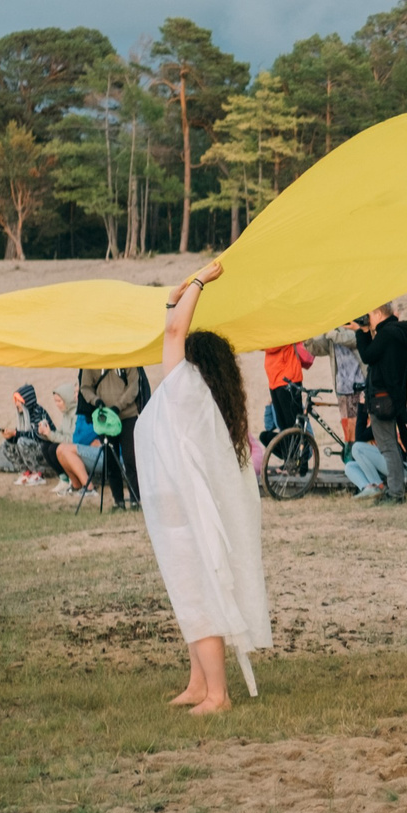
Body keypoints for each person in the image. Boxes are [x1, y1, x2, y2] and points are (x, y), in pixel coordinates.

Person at [134, 261, 273, 716]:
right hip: (179, 514)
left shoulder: (187, 390)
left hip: (184, 516)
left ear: (193, 362)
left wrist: (197, 283)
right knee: (188, 594)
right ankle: (198, 683)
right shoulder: (203, 398)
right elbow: (173, 332)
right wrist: (173, 301)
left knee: (199, 596)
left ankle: (218, 694)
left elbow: (173, 335)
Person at [360, 298, 407, 505]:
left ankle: (396, 493)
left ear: (379, 314)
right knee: (390, 445)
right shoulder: (397, 332)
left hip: (382, 400)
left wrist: (361, 332)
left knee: (388, 447)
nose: (370, 320)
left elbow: (367, 356)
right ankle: (395, 490)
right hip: (391, 397)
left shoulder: (386, 335)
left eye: (371, 315)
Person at [79, 365, 152, 504]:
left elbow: (134, 385)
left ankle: (136, 500)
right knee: (111, 460)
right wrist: (96, 401)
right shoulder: (91, 362)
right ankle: (118, 501)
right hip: (105, 418)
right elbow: (85, 387)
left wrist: (118, 406)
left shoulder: (128, 358)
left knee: (131, 458)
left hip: (128, 415)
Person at [2, 384, 63, 485]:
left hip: (46, 449)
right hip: (33, 447)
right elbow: (21, 434)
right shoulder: (23, 416)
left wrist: (16, 433)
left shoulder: (38, 412)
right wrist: (11, 437)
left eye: (18, 401)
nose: (16, 404)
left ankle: (38, 473)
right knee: (7, 445)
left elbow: (38, 435)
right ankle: (26, 472)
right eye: (15, 401)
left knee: (23, 442)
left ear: (26, 401)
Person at [330, 317, 368, 443]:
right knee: (348, 430)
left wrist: (329, 331)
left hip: (358, 385)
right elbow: (317, 347)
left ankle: (359, 457)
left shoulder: (355, 326)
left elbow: (351, 339)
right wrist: (308, 339)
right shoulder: (334, 330)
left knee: (361, 427)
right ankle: (351, 458)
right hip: (342, 387)